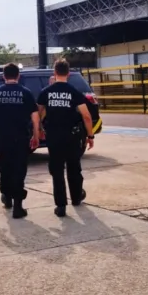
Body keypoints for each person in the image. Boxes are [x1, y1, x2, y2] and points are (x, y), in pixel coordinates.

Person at [37, 59, 95, 218]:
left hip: (54, 137)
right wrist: (90, 136)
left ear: (54, 73)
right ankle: (76, 197)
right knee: (74, 168)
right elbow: (86, 116)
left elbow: (38, 113)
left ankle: (61, 206)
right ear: (68, 74)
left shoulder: (46, 92)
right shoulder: (74, 92)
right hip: (72, 136)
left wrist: (39, 129)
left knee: (57, 171)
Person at [0, 63, 41, 219]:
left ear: (4, 76)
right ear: (18, 76)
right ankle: (18, 206)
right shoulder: (26, 93)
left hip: (3, 138)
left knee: (5, 168)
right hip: (21, 138)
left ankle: (7, 197)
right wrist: (36, 136)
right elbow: (35, 117)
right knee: (19, 170)